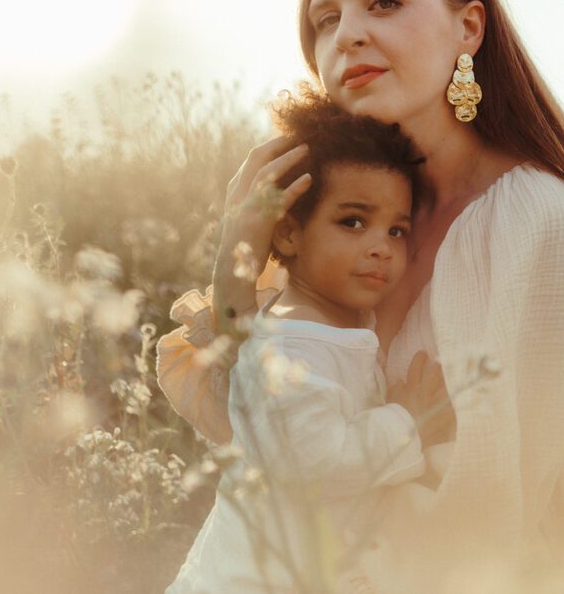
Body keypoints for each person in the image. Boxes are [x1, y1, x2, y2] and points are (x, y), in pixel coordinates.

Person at [158, 0, 564, 591]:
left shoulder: (536, 216)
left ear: (468, 28)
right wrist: (235, 261)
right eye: (324, 21)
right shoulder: (351, 215)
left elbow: (491, 504)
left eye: (384, 1)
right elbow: (251, 432)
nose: (349, 33)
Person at [164, 92, 455, 593]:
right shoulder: (289, 342)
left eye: (397, 229)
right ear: (290, 235)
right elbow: (314, 462)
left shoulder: (327, 321)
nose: (380, 246)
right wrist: (406, 424)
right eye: (353, 222)